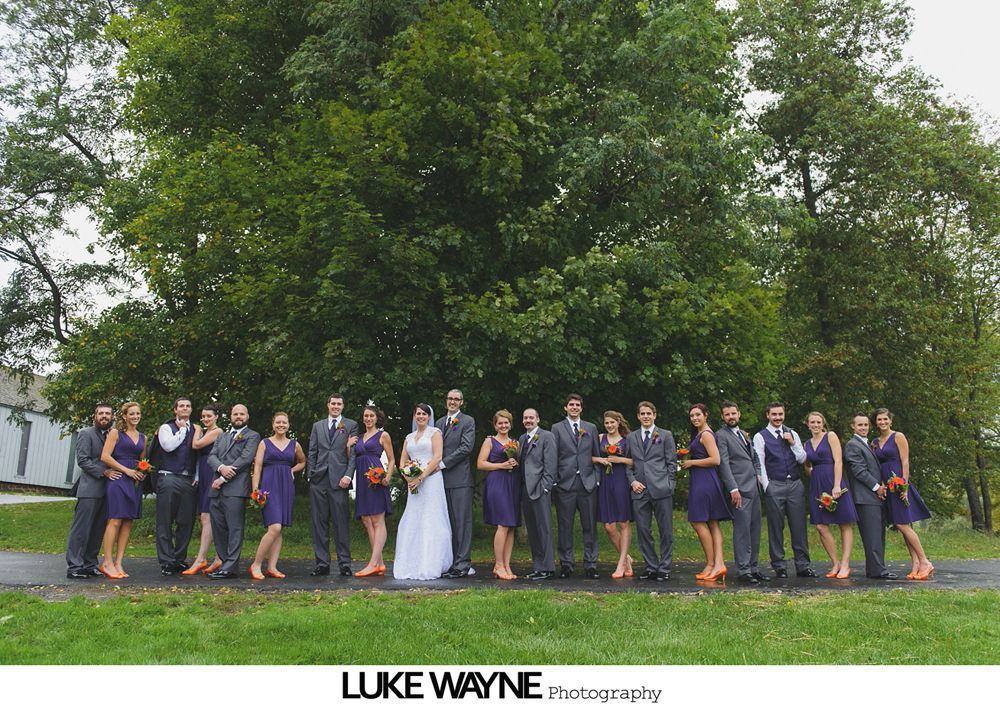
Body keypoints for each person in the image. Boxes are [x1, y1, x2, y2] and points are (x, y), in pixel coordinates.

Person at [753, 402, 815, 578]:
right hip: (775, 484)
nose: (778, 417)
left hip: (795, 484)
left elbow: (803, 458)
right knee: (775, 527)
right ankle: (779, 566)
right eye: (774, 414)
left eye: (780, 414)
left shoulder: (792, 432)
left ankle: (803, 565)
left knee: (799, 527)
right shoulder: (760, 436)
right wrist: (767, 487)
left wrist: (793, 443)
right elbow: (760, 463)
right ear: (768, 415)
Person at [872, 408, 933, 580]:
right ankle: (915, 564)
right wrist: (882, 485)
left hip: (899, 485)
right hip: (887, 487)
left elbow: (905, 461)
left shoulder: (898, 436)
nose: (882, 422)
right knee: (905, 525)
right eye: (879, 420)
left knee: (901, 524)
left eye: (885, 419)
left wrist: (904, 486)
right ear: (876, 422)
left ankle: (925, 561)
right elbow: (877, 466)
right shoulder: (875, 442)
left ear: (891, 421)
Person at [393, 404, 453, 580]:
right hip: (414, 483)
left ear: (429, 417)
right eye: (418, 413)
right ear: (414, 416)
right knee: (413, 517)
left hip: (431, 480)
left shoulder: (434, 433)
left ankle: (432, 562)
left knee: (431, 518)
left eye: (424, 414)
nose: (420, 416)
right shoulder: (409, 437)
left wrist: (421, 477)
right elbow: (403, 461)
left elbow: (437, 457)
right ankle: (411, 562)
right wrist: (409, 479)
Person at [306, 393, 359, 577]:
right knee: (319, 523)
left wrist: (348, 476)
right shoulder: (317, 426)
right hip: (318, 480)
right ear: (328, 405)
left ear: (343, 406)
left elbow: (353, 454)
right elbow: (312, 451)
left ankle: (344, 563)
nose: (336, 406)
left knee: (340, 523)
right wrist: (310, 475)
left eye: (339, 404)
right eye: (333, 403)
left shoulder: (351, 425)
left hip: (339, 481)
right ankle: (322, 563)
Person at [248, 412, 305, 579]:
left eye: (284, 422)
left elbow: (302, 462)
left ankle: (272, 567)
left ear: (288, 425)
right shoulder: (264, 443)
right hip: (268, 487)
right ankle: (256, 564)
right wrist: (255, 489)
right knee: (274, 527)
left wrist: (292, 470)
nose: (281, 425)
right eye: (278, 422)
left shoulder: (295, 445)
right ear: (273, 425)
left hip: (286, 487)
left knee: (280, 530)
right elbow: (257, 468)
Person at [716, 401, 768, 585]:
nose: (731, 417)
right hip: (739, 491)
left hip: (753, 489)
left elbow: (754, 458)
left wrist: (759, 476)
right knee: (742, 531)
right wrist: (733, 488)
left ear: (739, 414)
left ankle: (754, 567)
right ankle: (743, 570)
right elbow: (724, 463)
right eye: (727, 414)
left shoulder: (743, 434)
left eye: (733, 413)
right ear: (723, 417)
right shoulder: (721, 436)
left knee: (755, 530)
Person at [206, 404, 261, 579]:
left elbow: (245, 459)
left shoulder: (252, 436)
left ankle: (230, 566)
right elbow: (211, 456)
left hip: (235, 488)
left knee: (235, 528)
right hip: (216, 490)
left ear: (247, 416)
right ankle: (224, 563)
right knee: (218, 528)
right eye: (235, 414)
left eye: (242, 414)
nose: (238, 416)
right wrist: (221, 468)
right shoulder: (222, 436)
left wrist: (224, 477)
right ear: (230, 416)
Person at [551, 393, 602, 579]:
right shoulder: (556, 428)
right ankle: (566, 564)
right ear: (565, 407)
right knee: (565, 526)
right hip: (565, 483)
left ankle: (590, 564)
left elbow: (596, 454)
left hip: (587, 484)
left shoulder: (591, 427)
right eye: (571, 404)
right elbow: (554, 456)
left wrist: (596, 479)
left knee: (589, 526)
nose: (574, 407)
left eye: (577, 405)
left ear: (581, 408)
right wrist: (556, 480)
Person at [625, 401, 677, 582]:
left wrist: (670, 484)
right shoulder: (631, 437)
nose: (646, 416)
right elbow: (628, 464)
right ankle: (651, 566)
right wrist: (632, 482)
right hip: (640, 490)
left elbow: (671, 462)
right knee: (643, 530)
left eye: (649, 413)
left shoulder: (665, 435)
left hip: (661, 488)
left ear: (654, 415)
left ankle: (665, 567)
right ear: (638, 416)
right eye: (642, 414)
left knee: (665, 530)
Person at [843, 413, 897, 580]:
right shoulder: (852, 445)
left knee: (877, 534)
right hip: (864, 497)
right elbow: (859, 471)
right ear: (853, 426)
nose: (864, 428)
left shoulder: (867, 444)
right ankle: (877, 571)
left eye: (866, 425)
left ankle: (875, 569)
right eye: (860, 425)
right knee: (872, 535)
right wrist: (877, 488)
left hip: (873, 496)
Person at [803, 411, 857, 579]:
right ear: (808, 424)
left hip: (834, 481)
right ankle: (835, 563)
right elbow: (807, 465)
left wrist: (836, 484)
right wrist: (812, 473)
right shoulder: (807, 443)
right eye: (812, 422)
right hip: (817, 485)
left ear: (823, 423)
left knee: (844, 522)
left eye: (818, 422)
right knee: (820, 525)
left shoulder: (830, 436)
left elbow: (839, 460)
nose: (816, 425)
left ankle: (846, 564)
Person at [65, 404, 116, 579]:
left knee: (97, 530)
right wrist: (103, 472)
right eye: (101, 413)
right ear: (95, 416)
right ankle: (74, 566)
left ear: (112, 417)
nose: (104, 416)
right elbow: (83, 460)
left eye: (107, 414)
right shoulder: (86, 434)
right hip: (90, 488)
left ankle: (90, 564)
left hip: (108, 490)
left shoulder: (114, 435)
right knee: (81, 529)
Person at [683, 404, 732, 582]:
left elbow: (715, 459)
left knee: (698, 521)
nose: (695, 418)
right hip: (702, 479)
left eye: (698, 415)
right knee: (712, 522)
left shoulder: (705, 434)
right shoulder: (700, 434)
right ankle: (715, 564)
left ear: (706, 415)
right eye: (692, 416)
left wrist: (691, 463)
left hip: (705, 481)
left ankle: (713, 563)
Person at [98, 402, 148, 579]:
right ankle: (107, 562)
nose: (135, 416)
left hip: (134, 482)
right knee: (115, 520)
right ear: (125, 416)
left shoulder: (143, 437)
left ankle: (119, 562)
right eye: (132, 414)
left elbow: (142, 460)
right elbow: (105, 456)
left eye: (138, 414)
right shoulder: (115, 433)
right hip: (119, 479)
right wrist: (126, 470)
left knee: (128, 521)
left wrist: (142, 471)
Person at [152, 396, 198, 575]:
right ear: (175, 410)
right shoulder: (166, 427)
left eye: (188, 405)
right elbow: (168, 446)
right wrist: (181, 431)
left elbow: (200, 455)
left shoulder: (196, 429)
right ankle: (166, 561)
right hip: (169, 477)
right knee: (165, 521)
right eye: (181, 406)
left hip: (188, 479)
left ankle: (179, 558)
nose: (185, 408)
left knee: (186, 521)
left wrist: (198, 476)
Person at [435, 389, 476, 578]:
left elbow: (466, 448)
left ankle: (462, 564)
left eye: (456, 399)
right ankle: (451, 562)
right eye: (450, 398)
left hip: (460, 480)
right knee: (448, 523)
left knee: (462, 523)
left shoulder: (467, 421)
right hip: (439, 482)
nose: (452, 402)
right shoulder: (438, 423)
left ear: (461, 402)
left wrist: (442, 464)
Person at [477, 409, 521, 580]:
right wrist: (501, 465)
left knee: (510, 526)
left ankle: (507, 565)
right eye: (500, 423)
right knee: (502, 524)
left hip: (512, 484)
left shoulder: (515, 442)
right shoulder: (490, 441)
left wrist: (513, 463)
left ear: (510, 424)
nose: (503, 425)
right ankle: (498, 565)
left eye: (506, 422)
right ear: (495, 425)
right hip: (497, 483)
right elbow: (480, 463)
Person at [353, 404, 395, 577]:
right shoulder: (358, 437)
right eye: (365, 416)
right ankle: (379, 563)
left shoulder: (383, 435)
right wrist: (348, 446)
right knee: (366, 520)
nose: (368, 419)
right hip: (361, 480)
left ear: (377, 418)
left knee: (378, 519)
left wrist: (388, 477)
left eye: (371, 416)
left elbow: (392, 459)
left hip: (376, 478)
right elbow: (352, 459)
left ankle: (372, 563)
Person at [182, 404, 223, 574]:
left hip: (212, 473)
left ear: (216, 417)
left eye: (209, 416)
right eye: (203, 417)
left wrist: (196, 429)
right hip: (203, 474)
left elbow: (196, 445)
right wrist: (197, 476)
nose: (205, 419)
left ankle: (201, 559)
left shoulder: (217, 432)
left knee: (207, 516)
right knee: (205, 517)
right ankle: (218, 558)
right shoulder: (208, 432)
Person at [594, 411, 633, 579]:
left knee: (623, 523)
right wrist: (600, 460)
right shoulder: (599, 438)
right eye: (607, 423)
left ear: (618, 422)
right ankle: (627, 559)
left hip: (621, 481)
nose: (609, 426)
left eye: (612, 422)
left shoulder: (628, 440)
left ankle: (621, 563)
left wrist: (621, 460)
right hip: (604, 482)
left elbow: (637, 460)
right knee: (609, 526)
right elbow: (588, 456)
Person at [519, 408, 558, 580]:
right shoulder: (522, 438)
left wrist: (545, 487)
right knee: (533, 530)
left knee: (544, 529)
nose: (528, 420)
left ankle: (548, 567)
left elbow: (551, 463)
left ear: (538, 419)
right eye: (526, 418)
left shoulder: (547, 436)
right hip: (525, 490)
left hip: (540, 489)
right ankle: (538, 566)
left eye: (531, 418)